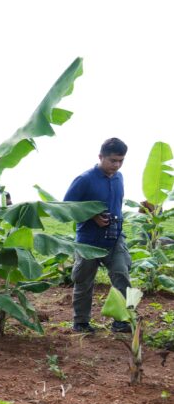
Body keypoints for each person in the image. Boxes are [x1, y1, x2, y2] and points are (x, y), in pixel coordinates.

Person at [64, 137, 132, 334]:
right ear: (101, 157)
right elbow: (67, 206)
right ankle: (81, 322)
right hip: (88, 241)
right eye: (113, 160)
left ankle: (121, 321)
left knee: (122, 275)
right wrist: (92, 216)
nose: (117, 165)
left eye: (121, 161)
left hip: (114, 238)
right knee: (84, 281)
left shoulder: (119, 177)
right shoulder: (85, 179)